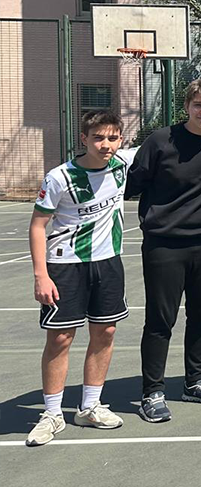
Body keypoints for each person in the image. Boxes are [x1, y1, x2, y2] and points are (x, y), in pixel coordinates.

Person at [126, 79, 201, 423]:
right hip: (165, 245)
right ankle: (152, 391)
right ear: (186, 106)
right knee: (160, 320)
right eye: (198, 104)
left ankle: (194, 381)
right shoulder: (160, 141)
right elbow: (130, 184)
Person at [26, 110, 134, 446]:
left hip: (108, 262)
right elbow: (38, 226)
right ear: (84, 139)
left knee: (106, 331)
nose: (105, 145)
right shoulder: (59, 177)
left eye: (112, 138)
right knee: (60, 338)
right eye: (98, 138)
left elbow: (170, 139)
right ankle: (52, 413)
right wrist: (41, 276)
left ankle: (89, 407)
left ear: (121, 140)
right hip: (65, 265)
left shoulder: (122, 164)